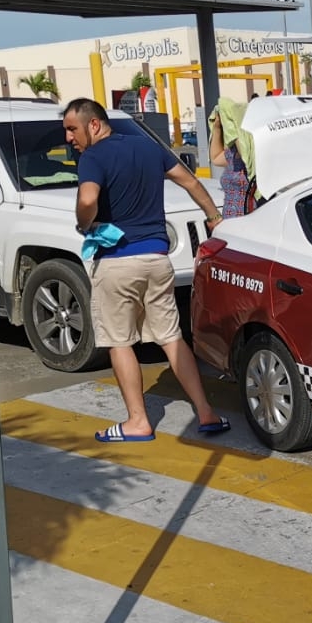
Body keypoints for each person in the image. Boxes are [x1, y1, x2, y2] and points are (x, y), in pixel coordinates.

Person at [62, 98, 229, 443]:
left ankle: (137, 421)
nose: (68, 137)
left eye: (72, 129)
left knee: (119, 342)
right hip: (157, 259)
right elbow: (193, 183)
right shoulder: (148, 146)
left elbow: (89, 200)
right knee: (171, 337)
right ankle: (206, 412)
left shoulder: (92, 157)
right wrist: (214, 218)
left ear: (94, 124)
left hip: (118, 262)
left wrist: (84, 223)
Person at [207, 96, 258, 219]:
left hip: (249, 220)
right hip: (230, 221)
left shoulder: (251, 152)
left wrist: (233, 126)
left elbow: (244, 155)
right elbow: (215, 158)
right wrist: (217, 127)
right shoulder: (232, 153)